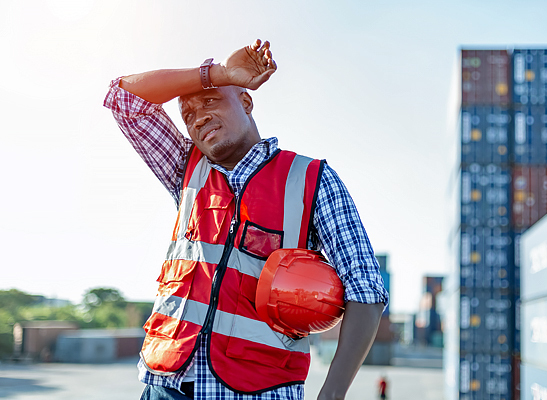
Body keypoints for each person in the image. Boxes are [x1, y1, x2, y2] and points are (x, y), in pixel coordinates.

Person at [104, 39, 388, 400]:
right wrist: (217, 75)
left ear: (246, 101)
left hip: (259, 390)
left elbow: (366, 288)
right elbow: (125, 98)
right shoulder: (185, 170)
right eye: (188, 114)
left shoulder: (312, 180)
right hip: (166, 385)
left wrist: (331, 394)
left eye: (209, 100)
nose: (198, 117)